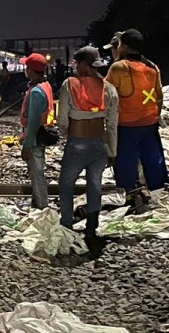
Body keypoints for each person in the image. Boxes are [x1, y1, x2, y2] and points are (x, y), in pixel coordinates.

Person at [57, 46, 118, 246]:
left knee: (66, 185)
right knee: (94, 186)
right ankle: (91, 228)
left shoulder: (70, 84)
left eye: (76, 64)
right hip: (99, 144)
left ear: (83, 64)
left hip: (77, 143)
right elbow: (111, 124)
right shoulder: (108, 88)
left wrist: (64, 133)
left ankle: (67, 225)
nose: (75, 68)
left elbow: (62, 117)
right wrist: (112, 150)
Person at [104, 29, 168, 201]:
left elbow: (106, 96)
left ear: (123, 46)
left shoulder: (118, 67)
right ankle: (159, 195)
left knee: (126, 166)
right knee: (154, 162)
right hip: (149, 123)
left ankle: (129, 199)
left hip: (126, 126)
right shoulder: (153, 67)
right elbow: (159, 96)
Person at [19, 53, 55, 209]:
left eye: (27, 67)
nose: (25, 70)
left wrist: (27, 145)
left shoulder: (36, 92)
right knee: (36, 171)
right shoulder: (44, 85)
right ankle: (37, 203)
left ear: (31, 70)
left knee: (37, 173)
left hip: (36, 137)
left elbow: (33, 122)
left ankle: (42, 208)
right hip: (42, 133)